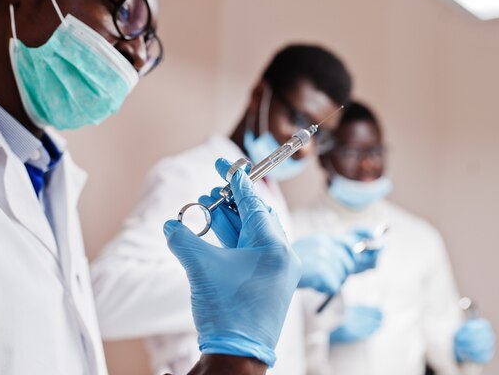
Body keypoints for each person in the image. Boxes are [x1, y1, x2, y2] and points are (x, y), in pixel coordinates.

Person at [0, 0, 309, 374]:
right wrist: (236, 357)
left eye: (149, 40)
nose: (137, 54)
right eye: (125, 13)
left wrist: (228, 353)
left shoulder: (46, 179)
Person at [92, 44, 380, 374]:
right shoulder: (186, 174)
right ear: (260, 95)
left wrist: (323, 294)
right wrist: (237, 282)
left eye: (322, 137)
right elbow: (103, 297)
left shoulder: (270, 196)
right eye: (298, 121)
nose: (305, 148)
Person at [292, 102, 496, 375]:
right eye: (352, 152)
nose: (367, 164)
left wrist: (463, 352)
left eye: (375, 151)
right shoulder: (292, 231)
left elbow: (442, 335)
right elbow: (273, 342)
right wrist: (321, 335)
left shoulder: (421, 237)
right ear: (323, 156)